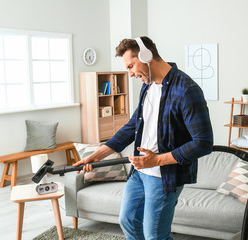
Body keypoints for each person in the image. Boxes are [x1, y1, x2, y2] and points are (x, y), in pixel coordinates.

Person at [74, 36, 213, 240]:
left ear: (146, 56)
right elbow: (132, 126)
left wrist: (156, 160)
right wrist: (97, 156)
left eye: (131, 66)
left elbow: (203, 143)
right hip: (139, 172)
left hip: (164, 175)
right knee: (128, 221)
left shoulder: (186, 90)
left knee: (155, 236)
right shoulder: (147, 85)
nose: (130, 74)